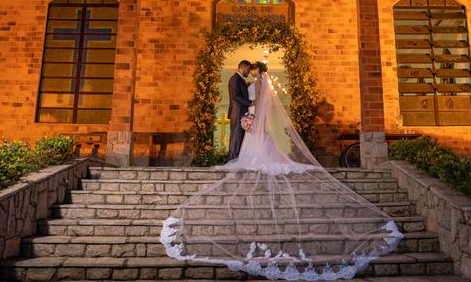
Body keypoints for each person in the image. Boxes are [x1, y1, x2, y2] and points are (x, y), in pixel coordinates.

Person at [160, 61, 402, 280]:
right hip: (250, 114)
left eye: (253, 70)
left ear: (255, 70)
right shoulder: (250, 82)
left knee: (251, 142)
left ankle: (245, 159)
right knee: (249, 141)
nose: (251, 72)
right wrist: (251, 108)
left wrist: (252, 108)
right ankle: (242, 158)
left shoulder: (258, 82)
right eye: (249, 69)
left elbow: (254, 100)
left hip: (253, 115)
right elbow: (243, 98)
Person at [227, 60, 252, 160]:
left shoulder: (240, 79)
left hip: (240, 113)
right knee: (236, 139)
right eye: (248, 70)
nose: (249, 72)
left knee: (239, 139)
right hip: (237, 113)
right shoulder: (235, 79)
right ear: (242, 68)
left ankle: (236, 161)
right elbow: (235, 96)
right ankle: (232, 162)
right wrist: (250, 103)